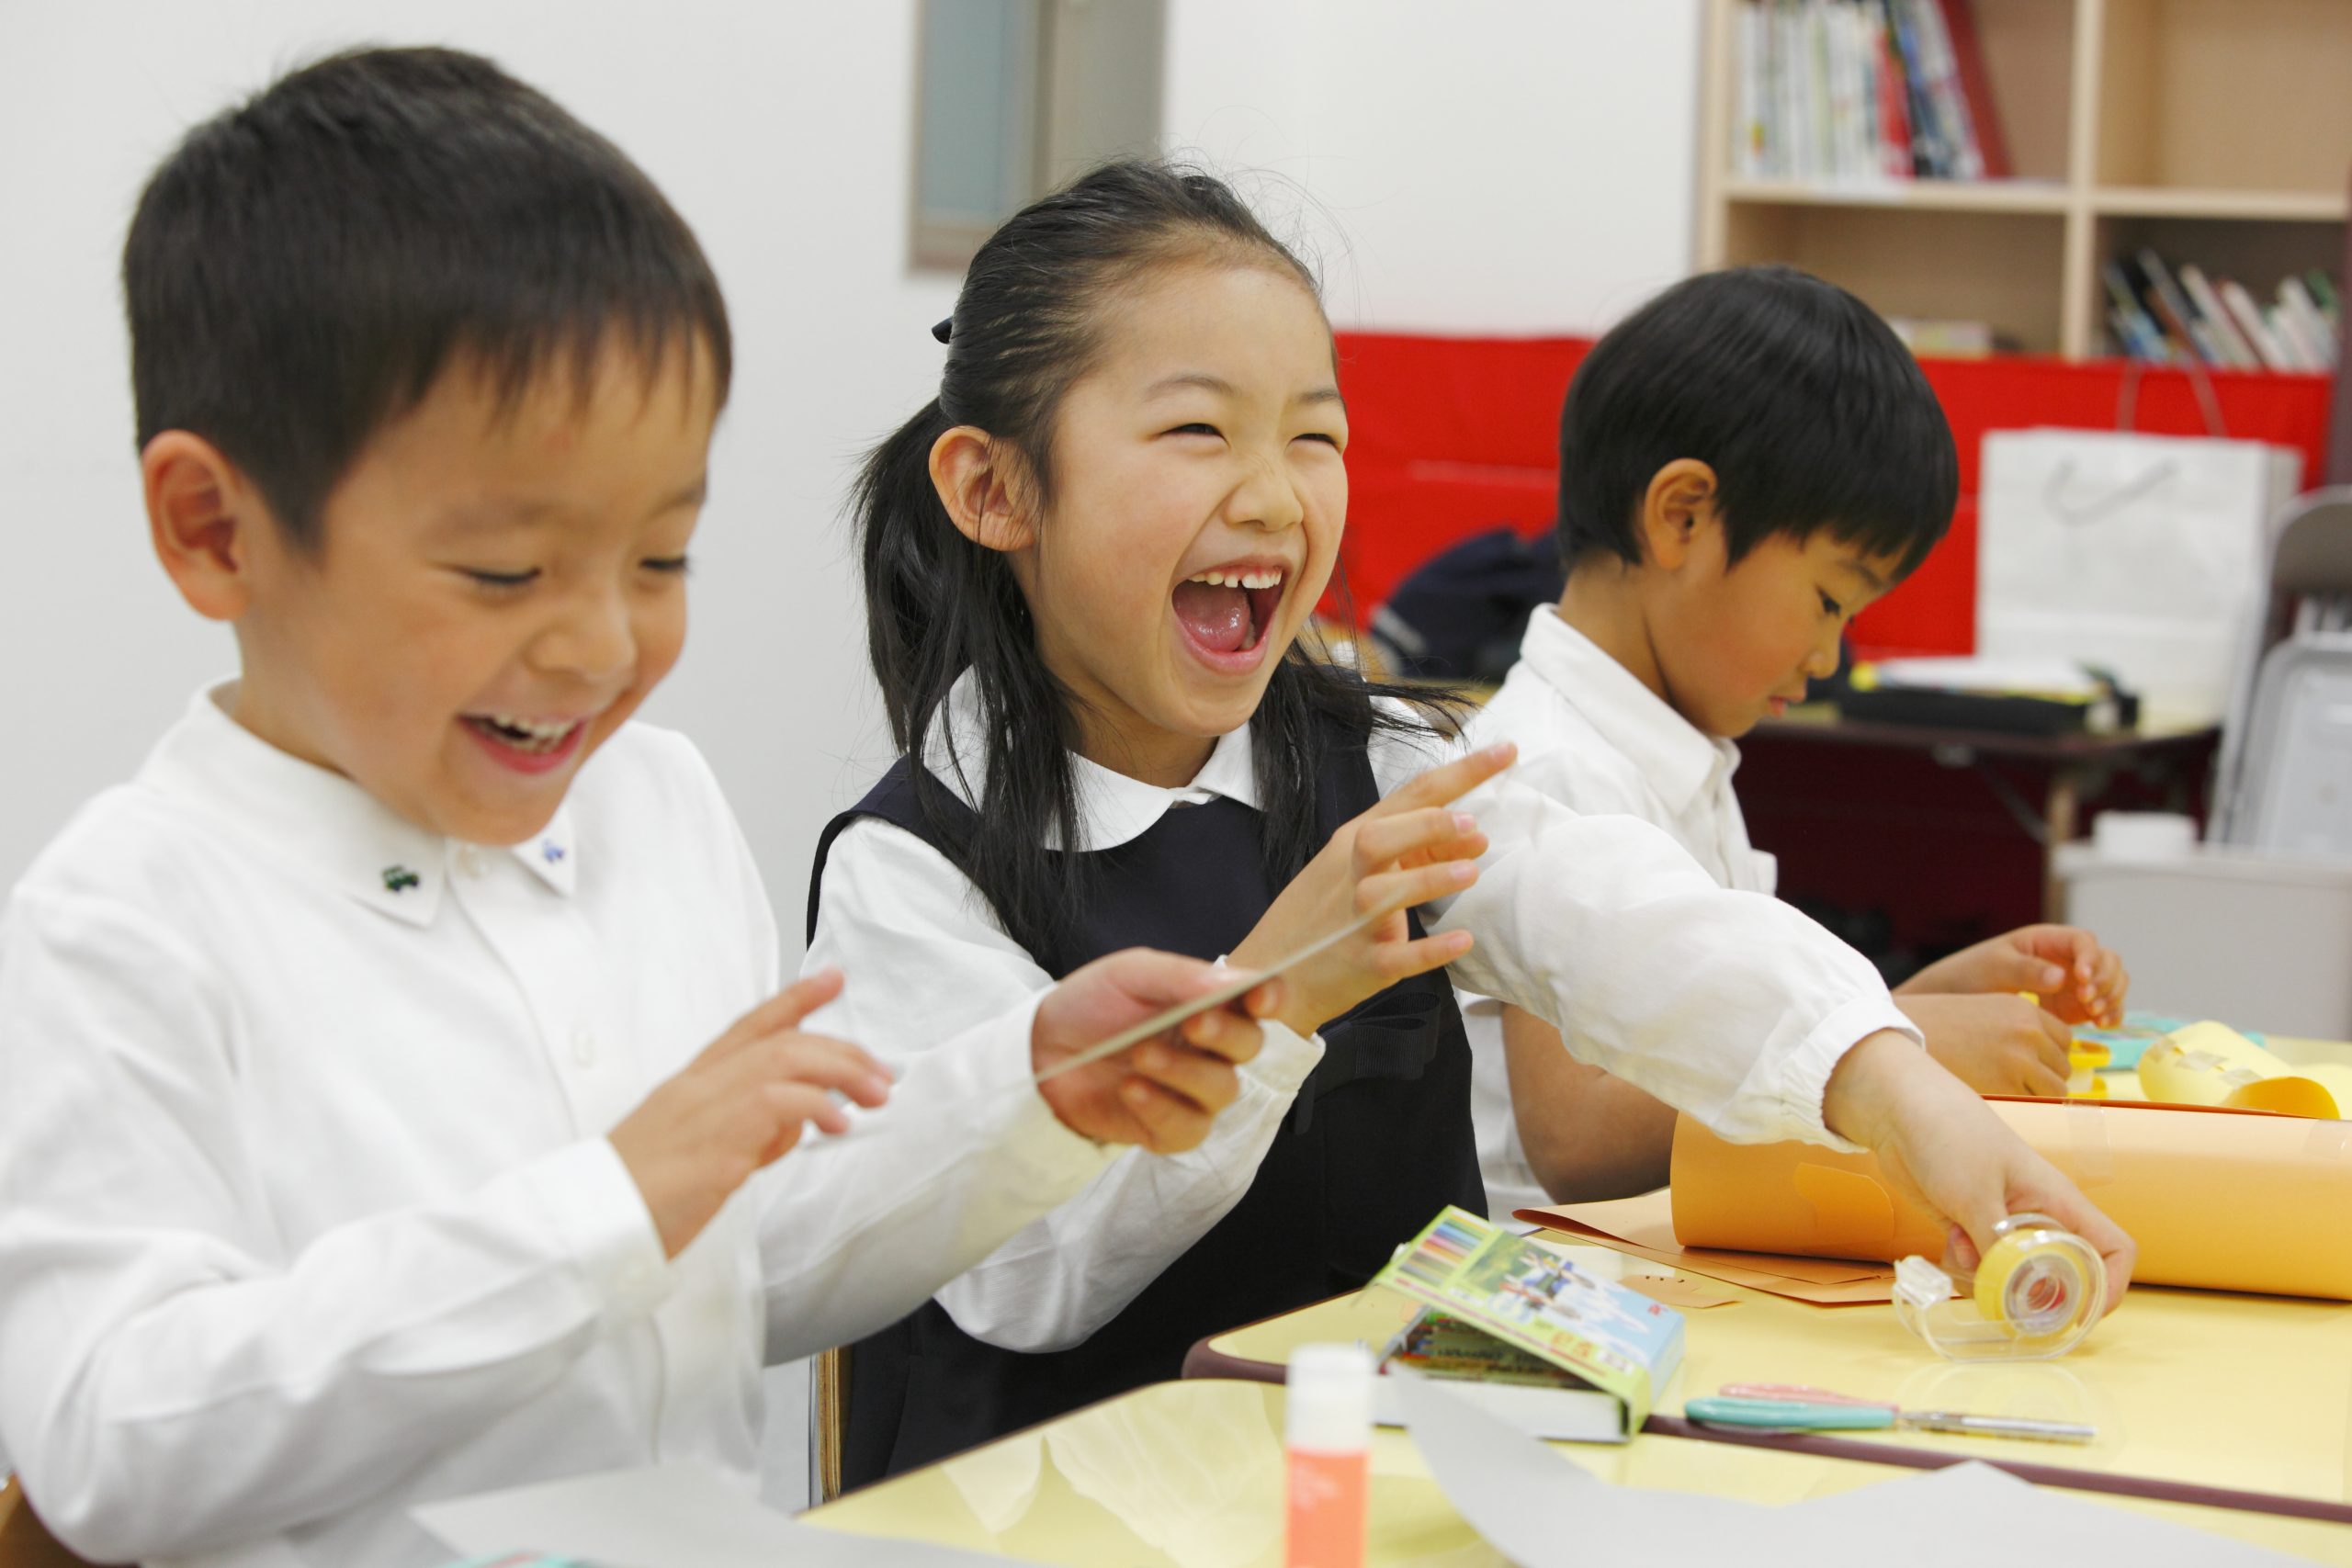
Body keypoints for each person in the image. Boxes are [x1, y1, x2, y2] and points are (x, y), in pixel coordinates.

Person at [0, 51, 1289, 1567]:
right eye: (505, 571)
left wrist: (1020, 1094)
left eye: (660, 560)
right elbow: (105, 1444)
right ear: (217, 530)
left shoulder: (653, 807)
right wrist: (597, 1207)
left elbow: (760, 1250)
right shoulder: (129, 919)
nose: (604, 647)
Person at [806, 161, 2135, 1484]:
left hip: (1378, 1501)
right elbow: (1028, 1272)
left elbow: (1635, 924)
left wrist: (1904, 1096)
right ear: (994, 489)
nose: (1276, 494)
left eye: (1313, 435)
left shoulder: (1393, 765)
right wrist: (1268, 999)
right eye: (1201, 432)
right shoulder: (911, 868)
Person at [1465, 266, 2132, 1218]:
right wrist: (1905, 1034)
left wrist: (1908, 1001)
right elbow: (1575, 1135)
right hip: (1553, 1291)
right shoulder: (1542, 769)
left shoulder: (1677, 758)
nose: (1826, 656)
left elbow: (1704, 1033)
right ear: (1682, 517)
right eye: (1827, 600)